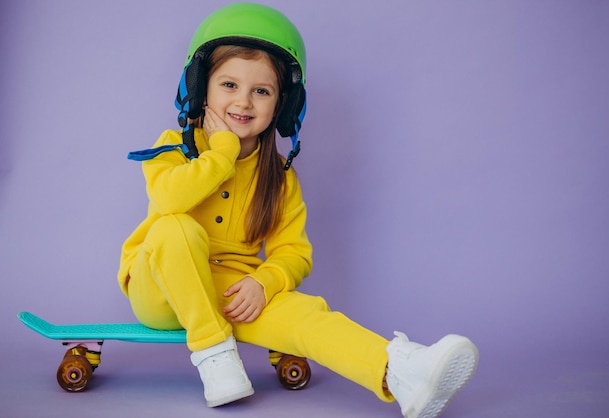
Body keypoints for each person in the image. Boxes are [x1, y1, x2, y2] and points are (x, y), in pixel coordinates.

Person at [118, 3, 478, 417]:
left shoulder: (279, 178)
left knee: (308, 314)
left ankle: (401, 372)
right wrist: (221, 154)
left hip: (230, 293)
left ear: (283, 106)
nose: (244, 102)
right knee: (175, 228)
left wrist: (264, 283)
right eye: (229, 85)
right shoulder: (174, 147)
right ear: (201, 88)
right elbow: (169, 201)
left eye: (262, 91)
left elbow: (294, 253)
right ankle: (214, 354)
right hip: (159, 289)